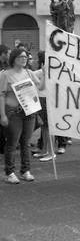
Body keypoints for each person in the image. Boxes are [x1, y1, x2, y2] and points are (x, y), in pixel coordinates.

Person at [0, 48, 44, 183]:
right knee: (12, 142)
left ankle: (25, 170)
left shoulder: (29, 73)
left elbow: (40, 87)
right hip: (13, 112)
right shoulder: (5, 75)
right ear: (13, 58)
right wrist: (2, 115)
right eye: (21, 57)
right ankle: (10, 172)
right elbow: (1, 95)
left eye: (25, 57)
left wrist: (46, 74)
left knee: (26, 142)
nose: (24, 59)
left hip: (29, 111)